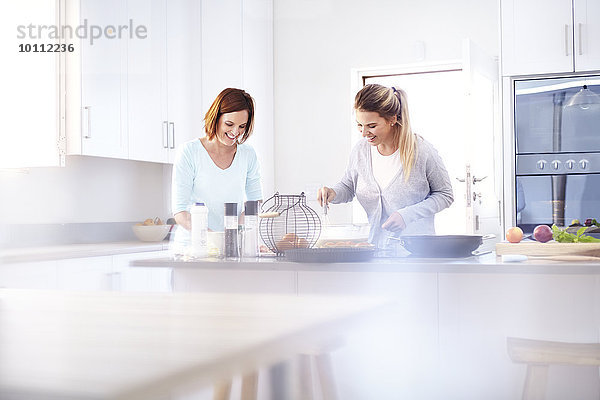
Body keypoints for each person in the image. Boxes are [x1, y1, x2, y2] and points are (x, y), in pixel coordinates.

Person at [318, 84, 454, 247]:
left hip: (416, 253)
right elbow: (348, 187)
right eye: (359, 125)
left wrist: (407, 215)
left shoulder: (422, 151)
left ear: (392, 119)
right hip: (374, 251)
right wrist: (333, 193)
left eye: (372, 126)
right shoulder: (361, 151)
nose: (363, 133)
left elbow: (445, 194)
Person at [171, 88, 262, 249]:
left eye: (242, 126)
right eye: (229, 124)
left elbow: (254, 202)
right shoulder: (189, 152)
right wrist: (213, 238)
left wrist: (236, 234)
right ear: (216, 117)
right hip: (192, 248)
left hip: (231, 248)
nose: (236, 132)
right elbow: (180, 212)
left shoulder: (248, 155)